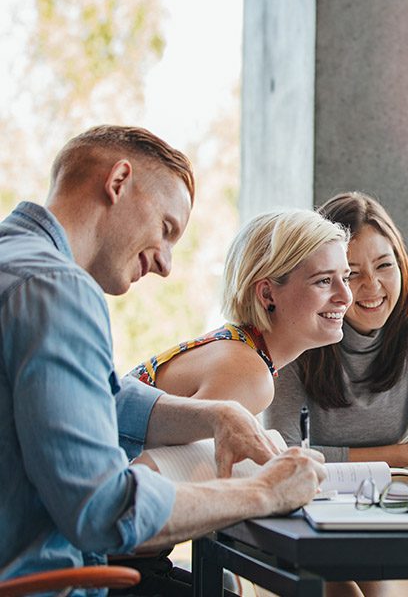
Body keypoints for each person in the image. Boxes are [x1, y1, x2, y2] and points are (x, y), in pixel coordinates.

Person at [0, 126, 327, 594]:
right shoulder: (57, 290)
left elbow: (96, 397)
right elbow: (104, 512)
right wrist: (264, 491)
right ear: (118, 182)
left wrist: (216, 414)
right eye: (166, 229)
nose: (166, 264)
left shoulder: (15, 265)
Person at [264, 191, 408, 597]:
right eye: (351, 273)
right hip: (305, 512)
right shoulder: (297, 334)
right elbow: (284, 457)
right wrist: (402, 453)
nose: (371, 286)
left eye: (385, 265)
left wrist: (407, 459)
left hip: (388, 509)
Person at [129, 209, 353, 418]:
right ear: (267, 294)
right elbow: (160, 459)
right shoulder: (248, 375)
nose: (346, 297)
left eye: (345, 278)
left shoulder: (239, 349)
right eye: (323, 281)